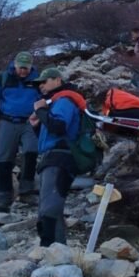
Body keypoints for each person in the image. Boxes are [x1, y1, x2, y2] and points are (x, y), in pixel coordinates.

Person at [29, 67, 85, 246]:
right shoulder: (56, 102)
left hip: (60, 159)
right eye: (39, 84)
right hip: (54, 157)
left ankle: (49, 249)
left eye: (44, 82)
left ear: (57, 80)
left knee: (49, 208)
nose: (41, 86)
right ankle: (59, 251)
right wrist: (37, 125)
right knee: (53, 206)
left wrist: (41, 111)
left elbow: (59, 127)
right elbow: (50, 136)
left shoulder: (65, 100)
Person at [0, 51, 40, 212]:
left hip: (30, 121)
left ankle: (27, 191)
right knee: (3, 159)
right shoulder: (3, 79)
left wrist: (42, 114)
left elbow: (46, 98)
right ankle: (4, 197)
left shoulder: (37, 80)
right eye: (21, 67)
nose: (23, 71)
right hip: (7, 121)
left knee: (31, 151)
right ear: (14, 65)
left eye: (26, 68)